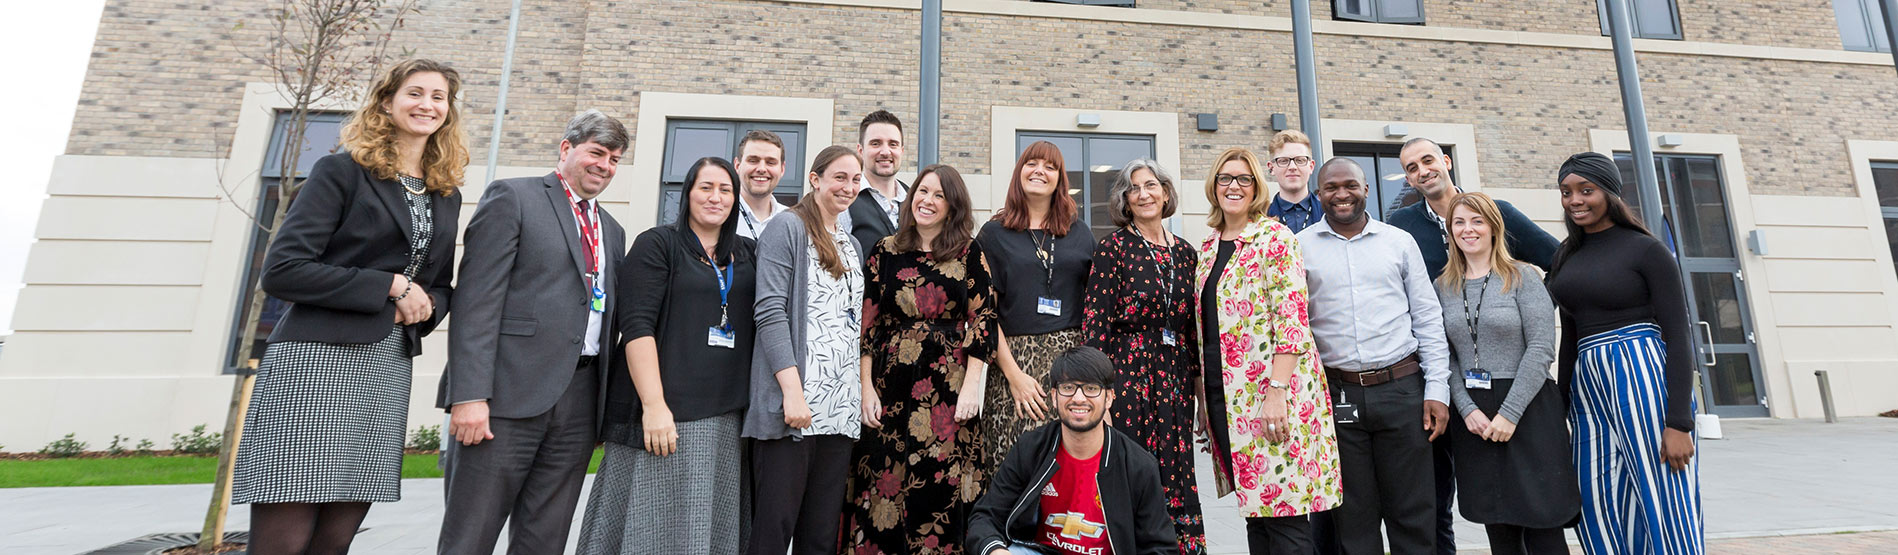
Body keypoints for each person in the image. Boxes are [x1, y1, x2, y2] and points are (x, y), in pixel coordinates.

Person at [231, 58, 466, 555]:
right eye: (415, 93)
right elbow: (283, 269)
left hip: (385, 368)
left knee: (335, 540)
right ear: (387, 101)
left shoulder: (445, 193)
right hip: (314, 366)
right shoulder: (340, 171)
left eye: (438, 97)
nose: (427, 105)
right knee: (284, 540)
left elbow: (440, 286)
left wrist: (424, 305)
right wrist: (388, 286)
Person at [438, 109, 626, 555]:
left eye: (615, 159)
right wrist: (468, 395)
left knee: (546, 539)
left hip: (579, 401)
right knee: (471, 536)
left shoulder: (613, 231)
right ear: (566, 149)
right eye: (596, 153)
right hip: (504, 397)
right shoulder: (513, 197)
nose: (605, 165)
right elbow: (476, 302)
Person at [1380, 137, 1562, 555]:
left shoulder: (1501, 221)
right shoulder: (1403, 228)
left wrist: (1529, 302)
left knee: (1538, 513)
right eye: (1411, 167)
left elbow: (1559, 261)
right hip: (1450, 387)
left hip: (1520, 394)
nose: (1422, 171)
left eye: (1428, 160)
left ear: (1445, 161)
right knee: (1459, 499)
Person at [576, 156, 755, 553]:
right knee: (651, 527)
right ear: (687, 193)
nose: (715, 197)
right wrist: (654, 407)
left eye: (725, 190)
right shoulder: (658, 243)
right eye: (705, 187)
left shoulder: (747, 253)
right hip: (666, 414)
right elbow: (636, 326)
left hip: (727, 416)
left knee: (711, 528)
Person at [1547, 152, 1703, 555]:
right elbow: (1570, 338)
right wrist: (1559, 411)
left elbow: (1680, 336)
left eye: (1586, 190)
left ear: (1610, 193)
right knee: (1597, 504)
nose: (1575, 200)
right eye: (1566, 192)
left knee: (1663, 501)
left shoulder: (1647, 251)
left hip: (1642, 373)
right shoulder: (1566, 255)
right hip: (1587, 385)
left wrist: (1679, 422)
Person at [1296, 158, 1452, 555]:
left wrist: (1437, 389)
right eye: (1331, 188)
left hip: (1402, 391)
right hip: (1337, 396)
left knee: (1413, 515)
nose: (1342, 194)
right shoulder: (1300, 247)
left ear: (1366, 189)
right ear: (1319, 195)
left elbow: (1428, 319)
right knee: (1353, 520)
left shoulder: (1398, 242)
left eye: (1350, 185)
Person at [842, 163, 996, 554]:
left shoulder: (969, 252)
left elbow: (983, 320)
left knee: (940, 484)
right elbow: (868, 326)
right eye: (922, 192)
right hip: (889, 386)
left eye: (939, 195)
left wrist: (972, 387)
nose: (927, 201)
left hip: (948, 390)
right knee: (883, 483)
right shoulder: (885, 251)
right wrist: (865, 389)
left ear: (952, 206)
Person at [1195, 147, 1340, 554]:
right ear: (1214, 186)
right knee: (1256, 514)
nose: (1233, 187)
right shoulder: (1207, 249)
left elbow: (1292, 322)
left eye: (1243, 179)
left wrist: (1277, 392)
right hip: (1229, 400)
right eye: (1225, 178)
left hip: (1272, 397)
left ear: (1257, 186)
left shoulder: (1274, 238)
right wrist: (1204, 401)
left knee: (1287, 517)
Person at [1436, 192, 1579, 555]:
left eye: (1477, 221)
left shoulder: (1523, 278)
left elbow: (1541, 348)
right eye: (1459, 222)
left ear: (1493, 227)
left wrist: (1510, 413)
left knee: (1542, 526)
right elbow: (1444, 356)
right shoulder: (1444, 286)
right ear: (1450, 231)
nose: (1468, 229)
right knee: (1498, 526)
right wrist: (1466, 409)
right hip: (1474, 416)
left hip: (1527, 407)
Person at [1077, 159, 1207, 554]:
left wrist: (1199, 393)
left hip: (1175, 376)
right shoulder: (1113, 249)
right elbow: (1095, 322)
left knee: (1177, 464)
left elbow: (1192, 331)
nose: (1144, 194)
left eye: (1151, 186)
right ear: (1125, 200)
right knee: (1131, 463)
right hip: (1127, 373)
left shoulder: (1186, 254)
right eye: (1134, 189)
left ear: (1166, 193)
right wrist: (1099, 393)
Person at [743, 145, 867, 555]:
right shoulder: (787, 228)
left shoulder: (849, 243)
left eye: (854, 180)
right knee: (773, 533)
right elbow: (770, 312)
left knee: (819, 536)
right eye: (839, 178)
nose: (847, 187)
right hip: (795, 409)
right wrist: (791, 394)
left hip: (839, 411)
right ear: (815, 179)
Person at [966, 347, 1176, 555]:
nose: (1078, 398)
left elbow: (1161, 548)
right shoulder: (1032, 448)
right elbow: (986, 517)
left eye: (1091, 388)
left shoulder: (1138, 466)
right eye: (1068, 387)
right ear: (1054, 396)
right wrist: (996, 551)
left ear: (1109, 398)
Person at [975, 140, 1097, 476]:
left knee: (1069, 466)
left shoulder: (1079, 232)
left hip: (1071, 366)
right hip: (1014, 362)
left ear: (1060, 179)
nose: (1039, 171)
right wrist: (1015, 377)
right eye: (1032, 163)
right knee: (1012, 464)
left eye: (1050, 166)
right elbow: (984, 314)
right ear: (1019, 172)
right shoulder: (993, 234)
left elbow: (1095, 306)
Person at [845, 109, 909, 263]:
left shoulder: (915, 199)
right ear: (861, 150)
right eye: (876, 143)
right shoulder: (846, 198)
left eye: (893, 144)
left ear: (901, 151)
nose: (885, 152)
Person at [735, 129, 794, 240]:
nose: (761, 169)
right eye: (753, 160)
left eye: (770, 162)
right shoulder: (720, 215)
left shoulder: (794, 221)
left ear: (782, 169)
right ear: (737, 166)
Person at [1264, 130, 1321, 234]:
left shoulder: (1329, 215)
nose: (1292, 167)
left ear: (1311, 166)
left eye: (1300, 160)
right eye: (1283, 161)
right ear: (1271, 168)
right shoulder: (1261, 217)